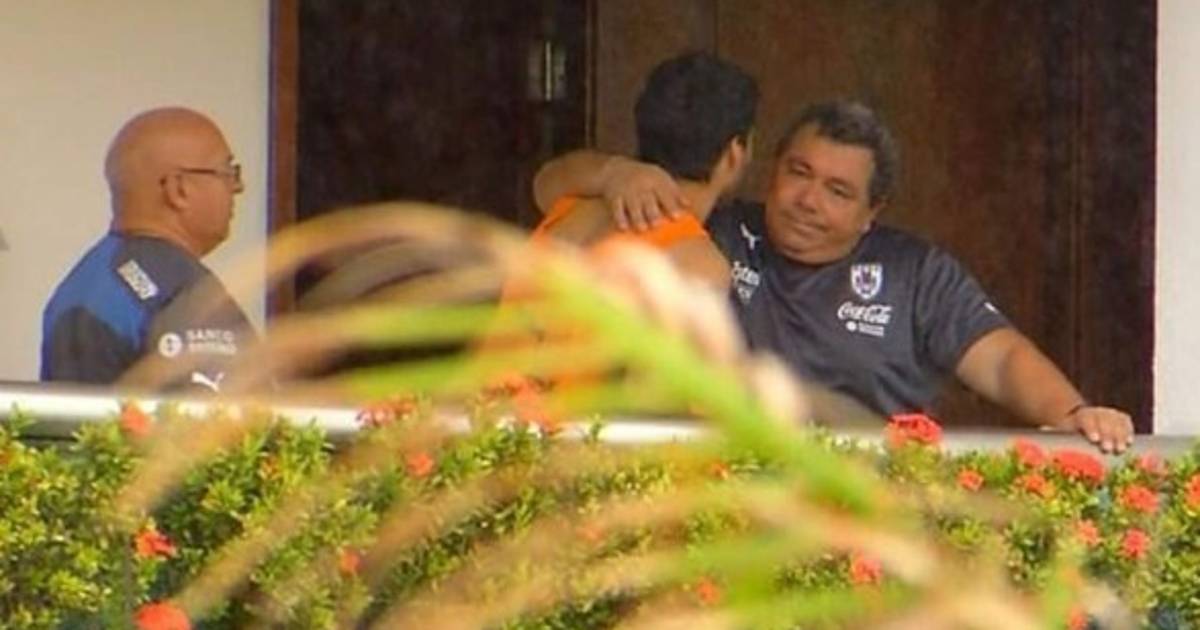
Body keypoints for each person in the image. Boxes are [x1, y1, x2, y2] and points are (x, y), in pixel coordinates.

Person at [533, 100, 1135, 453]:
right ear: (771, 169)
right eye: (799, 173)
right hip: (729, 520)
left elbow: (1001, 359)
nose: (808, 200)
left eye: (838, 191)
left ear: (873, 211)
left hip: (866, 524)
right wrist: (615, 172)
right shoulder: (715, 230)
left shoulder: (914, 271)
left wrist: (1073, 412)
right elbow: (551, 187)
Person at [41, 107, 255, 392]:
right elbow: (84, 423)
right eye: (226, 172)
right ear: (178, 189)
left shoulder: (101, 283)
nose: (238, 187)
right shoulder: (119, 295)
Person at [529, 51, 758, 290]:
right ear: (734, 153)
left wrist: (612, 171)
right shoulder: (698, 265)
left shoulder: (573, 206)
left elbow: (546, 179)